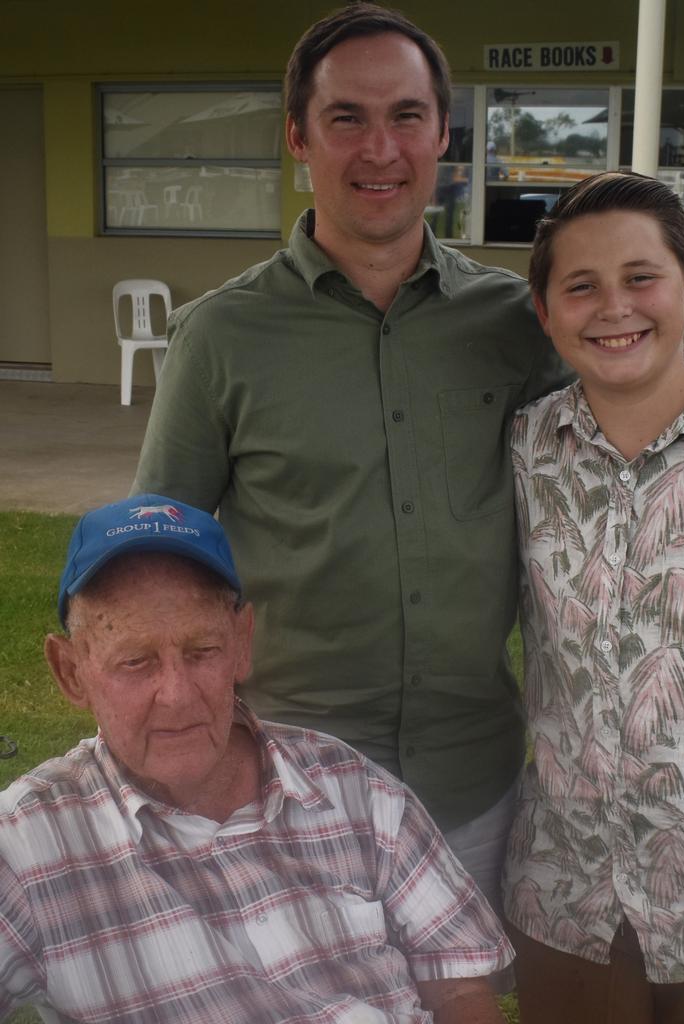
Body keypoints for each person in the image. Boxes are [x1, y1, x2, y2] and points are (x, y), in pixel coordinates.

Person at [131, 2, 571, 902]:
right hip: (293, 790)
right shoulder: (220, 337)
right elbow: (158, 555)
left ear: (443, 132)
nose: (381, 149)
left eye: (406, 115)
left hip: (475, 786)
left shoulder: (517, 327)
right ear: (298, 136)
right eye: (347, 118)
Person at [0, 494, 512, 1024]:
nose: (177, 694)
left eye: (202, 651)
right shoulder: (27, 844)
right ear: (71, 672)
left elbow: (457, 987)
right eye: (135, 661)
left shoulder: (355, 788)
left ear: (242, 643)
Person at [503, 171, 684, 1023]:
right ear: (546, 313)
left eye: (640, 278)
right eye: (581, 287)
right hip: (569, 890)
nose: (614, 308)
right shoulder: (525, 449)